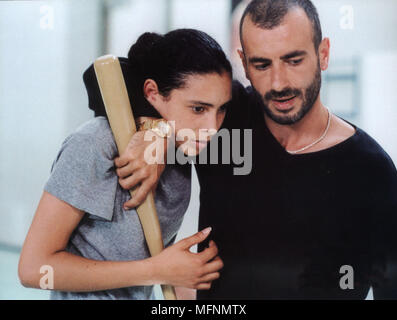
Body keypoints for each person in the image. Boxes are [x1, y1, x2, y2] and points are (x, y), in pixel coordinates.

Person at [112, 0, 397, 299]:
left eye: (294, 60)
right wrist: (155, 129)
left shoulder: (371, 171)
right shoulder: (223, 118)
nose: (278, 83)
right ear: (244, 63)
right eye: (262, 64)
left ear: (323, 54)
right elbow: (111, 78)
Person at [18, 29, 232, 300]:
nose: (212, 128)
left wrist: (182, 272)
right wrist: (156, 271)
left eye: (221, 108)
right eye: (198, 109)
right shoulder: (94, 143)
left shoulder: (181, 153)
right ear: (152, 93)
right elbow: (33, 269)